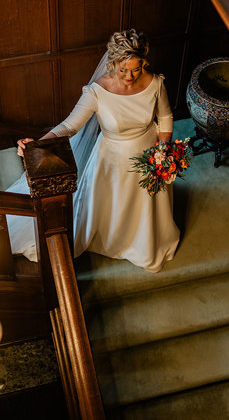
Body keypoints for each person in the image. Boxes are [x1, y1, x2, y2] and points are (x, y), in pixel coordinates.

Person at [14, 29, 180, 272]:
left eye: (136, 69)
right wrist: (37, 144)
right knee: (115, 205)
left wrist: (163, 152)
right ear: (112, 63)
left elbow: (165, 117)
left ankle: (143, 243)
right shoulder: (97, 91)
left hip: (149, 157)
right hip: (112, 160)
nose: (130, 76)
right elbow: (69, 126)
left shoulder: (155, 83)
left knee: (145, 206)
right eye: (123, 70)